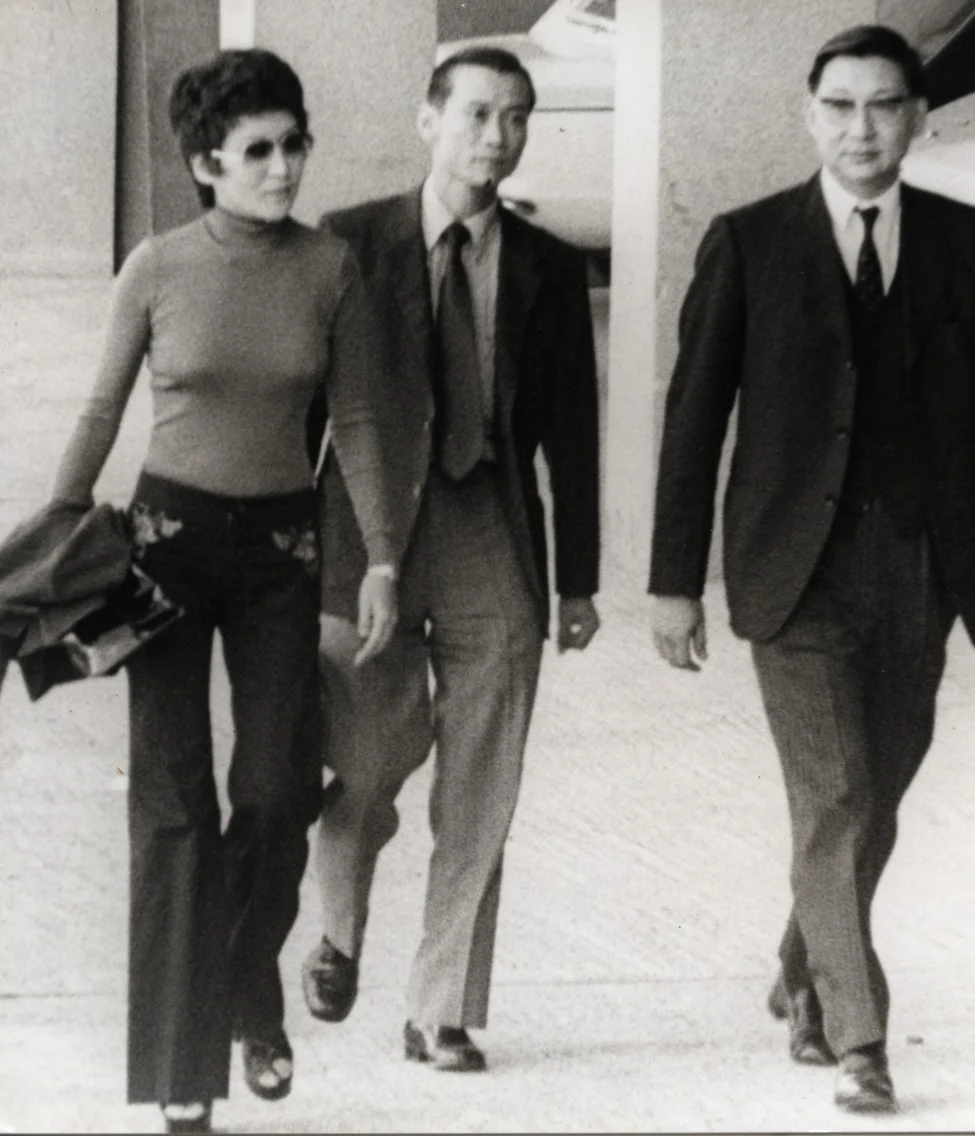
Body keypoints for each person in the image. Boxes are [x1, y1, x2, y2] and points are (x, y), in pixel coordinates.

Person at [649, 25, 975, 1115]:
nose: (861, 129)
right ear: (810, 116)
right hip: (792, 568)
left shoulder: (971, 244)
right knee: (834, 791)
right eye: (839, 106)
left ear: (918, 119)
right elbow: (694, 420)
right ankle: (858, 1034)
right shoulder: (748, 243)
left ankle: (803, 963)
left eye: (884, 106)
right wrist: (673, 579)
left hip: (920, 562)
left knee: (878, 789)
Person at [48, 49, 399, 1134]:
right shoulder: (156, 266)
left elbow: (360, 421)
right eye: (259, 151)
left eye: (295, 145)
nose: (284, 167)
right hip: (165, 545)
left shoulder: (331, 269)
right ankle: (184, 1067)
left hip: (282, 552)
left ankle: (247, 982)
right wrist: (55, 531)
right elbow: (102, 410)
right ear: (207, 163)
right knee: (173, 804)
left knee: (279, 785)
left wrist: (383, 557)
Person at [298, 45, 602, 1074]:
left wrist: (576, 579)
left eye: (516, 117)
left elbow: (573, 431)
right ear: (428, 121)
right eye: (477, 114)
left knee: (483, 779)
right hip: (367, 533)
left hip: (490, 529)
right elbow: (307, 414)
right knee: (370, 760)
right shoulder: (347, 244)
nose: (497, 137)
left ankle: (441, 1008)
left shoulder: (549, 265)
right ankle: (339, 920)